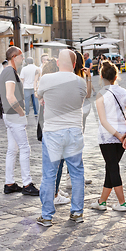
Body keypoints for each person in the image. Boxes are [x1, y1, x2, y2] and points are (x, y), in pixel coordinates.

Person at [37, 49, 87, 226]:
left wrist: (46, 99)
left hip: (53, 132)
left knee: (49, 174)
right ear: (74, 64)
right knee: (77, 173)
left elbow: (39, 95)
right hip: (74, 130)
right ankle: (76, 212)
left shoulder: (46, 79)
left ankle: (47, 215)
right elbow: (79, 101)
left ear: (58, 62)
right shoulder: (81, 82)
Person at [91, 60, 126, 212]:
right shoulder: (124, 92)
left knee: (112, 167)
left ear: (102, 76)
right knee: (111, 167)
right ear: (116, 76)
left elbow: (103, 121)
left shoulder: (101, 94)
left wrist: (118, 135)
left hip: (108, 136)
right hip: (122, 134)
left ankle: (122, 203)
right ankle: (101, 201)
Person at [0, 46, 39, 196]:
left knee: (12, 150)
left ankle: (9, 183)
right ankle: (27, 184)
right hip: (14, 116)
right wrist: (22, 113)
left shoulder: (6, 71)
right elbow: (10, 96)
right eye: (21, 56)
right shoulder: (10, 71)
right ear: (14, 57)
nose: (23, 59)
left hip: (8, 115)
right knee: (24, 148)